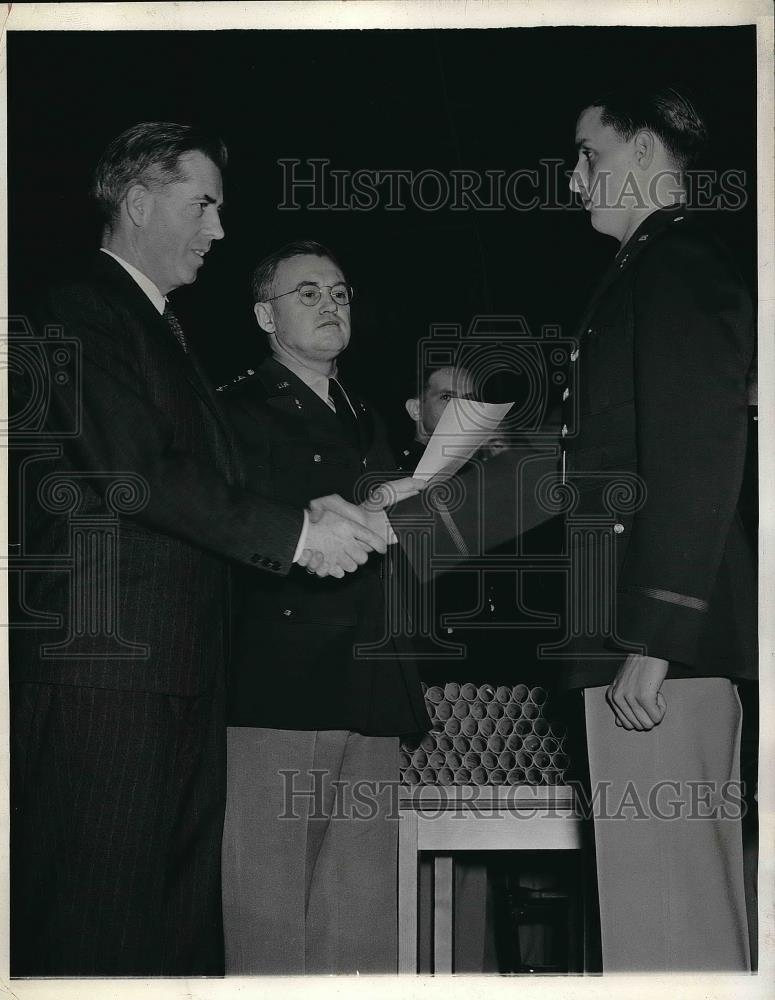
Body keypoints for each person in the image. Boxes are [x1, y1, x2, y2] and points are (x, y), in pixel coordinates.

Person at [9, 125, 387, 977]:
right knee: (93, 927)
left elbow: (201, 477)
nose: (218, 229)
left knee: (168, 935)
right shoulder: (77, 306)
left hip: (170, 674)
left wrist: (307, 512)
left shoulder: (158, 326)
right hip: (106, 675)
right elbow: (135, 469)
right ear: (139, 202)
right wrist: (294, 534)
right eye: (203, 204)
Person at [559, 85, 756, 970]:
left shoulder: (672, 268)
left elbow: (696, 458)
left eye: (587, 156)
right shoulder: (653, 268)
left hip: (654, 654)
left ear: (642, 156)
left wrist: (654, 637)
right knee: (664, 916)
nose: (573, 181)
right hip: (644, 643)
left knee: (667, 928)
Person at [218, 240, 429, 975]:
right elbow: (231, 532)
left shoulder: (363, 412)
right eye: (306, 293)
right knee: (270, 918)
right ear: (263, 315)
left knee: (363, 922)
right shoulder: (234, 411)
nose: (330, 305)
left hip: (371, 681)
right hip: (282, 685)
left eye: (339, 292)